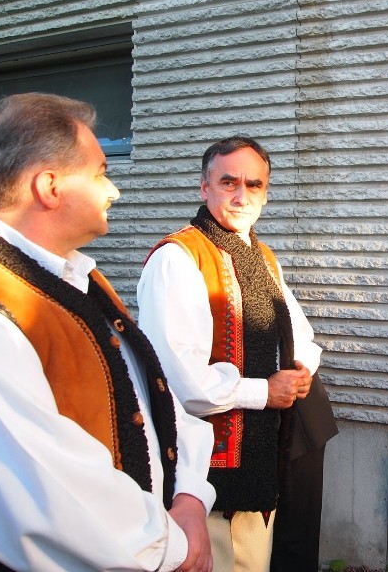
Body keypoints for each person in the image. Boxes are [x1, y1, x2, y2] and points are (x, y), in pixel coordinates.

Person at [0, 93, 216, 572]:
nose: (112, 189)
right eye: (99, 172)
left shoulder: (77, 280)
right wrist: (174, 547)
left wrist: (192, 498)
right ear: (50, 186)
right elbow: (45, 489)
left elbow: (154, 403)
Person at [137, 136, 337, 572]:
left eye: (254, 184)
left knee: (256, 558)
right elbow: (178, 378)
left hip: (264, 447)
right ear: (204, 187)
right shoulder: (178, 258)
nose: (242, 195)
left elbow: (297, 331)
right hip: (214, 460)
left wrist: (303, 368)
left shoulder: (262, 255)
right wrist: (264, 392)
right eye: (228, 182)